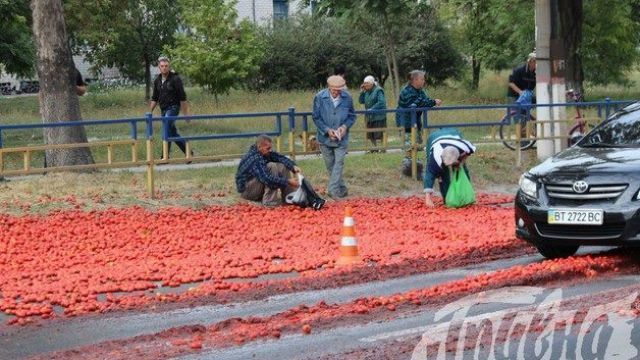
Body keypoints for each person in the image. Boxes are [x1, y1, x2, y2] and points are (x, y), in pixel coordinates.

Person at [312, 75, 356, 198]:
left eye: (339, 90)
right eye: (334, 90)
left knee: (339, 163)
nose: (336, 92)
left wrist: (344, 127)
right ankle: (342, 189)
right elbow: (316, 117)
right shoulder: (319, 97)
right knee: (331, 166)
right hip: (324, 138)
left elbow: (352, 116)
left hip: (342, 139)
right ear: (329, 87)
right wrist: (327, 130)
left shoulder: (348, 98)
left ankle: (332, 190)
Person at [236, 134, 301, 207]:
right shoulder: (255, 158)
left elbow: (280, 157)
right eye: (268, 148)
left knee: (282, 166)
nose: (270, 150)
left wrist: (293, 166)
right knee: (271, 166)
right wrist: (288, 181)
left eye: (270, 148)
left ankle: (289, 197)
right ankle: (269, 202)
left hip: (256, 187)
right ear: (260, 147)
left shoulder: (263, 152)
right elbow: (267, 178)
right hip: (247, 191)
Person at [149, 56, 191, 158]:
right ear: (159, 67)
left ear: (169, 66)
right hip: (163, 109)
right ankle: (189, 153)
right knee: (173, 133)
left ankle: (164, 156)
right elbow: (155, 98)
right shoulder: (157, 81)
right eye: (162, 66)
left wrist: (186, 114)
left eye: (166, 66)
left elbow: (183, 98)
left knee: (166, 127)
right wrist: (149, 112)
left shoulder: (175, 79)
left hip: (173, 108)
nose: (164, 68)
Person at [423, 128, 476, 208]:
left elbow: (469, 151)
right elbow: (429, 175)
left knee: (463, 169)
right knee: (441, 173)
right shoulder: (435, 159)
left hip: (453, 133)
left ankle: (465, 195)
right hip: (434, 138)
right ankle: (447, 197)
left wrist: (461, 162)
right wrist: (428, 198)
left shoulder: (464, 146)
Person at [396, 70, 442, 147]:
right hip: (406, 121)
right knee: (409, 143)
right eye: (422, 79)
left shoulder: (420, 91)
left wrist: (433, 101)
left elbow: (426, 100)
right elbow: (417, 103)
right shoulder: (407, 91)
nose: (424, 81)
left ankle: (414, 158)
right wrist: (433, 102)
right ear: (415, 80)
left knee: (417, 143)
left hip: (415, 121)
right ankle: (408, 159)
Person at [359, 75, 387, 150]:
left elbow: (381, 102)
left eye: (367, 83)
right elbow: (361, 101)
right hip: (369, 116)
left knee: (379, 133)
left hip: (378, 116)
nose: (365, 85)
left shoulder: (378, 90)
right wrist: (361, 92)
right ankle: (375, 148)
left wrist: (372, 109)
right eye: (364, 83)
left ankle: (382, 148)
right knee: (370, 134)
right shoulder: (366, 91)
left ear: (372, 83)